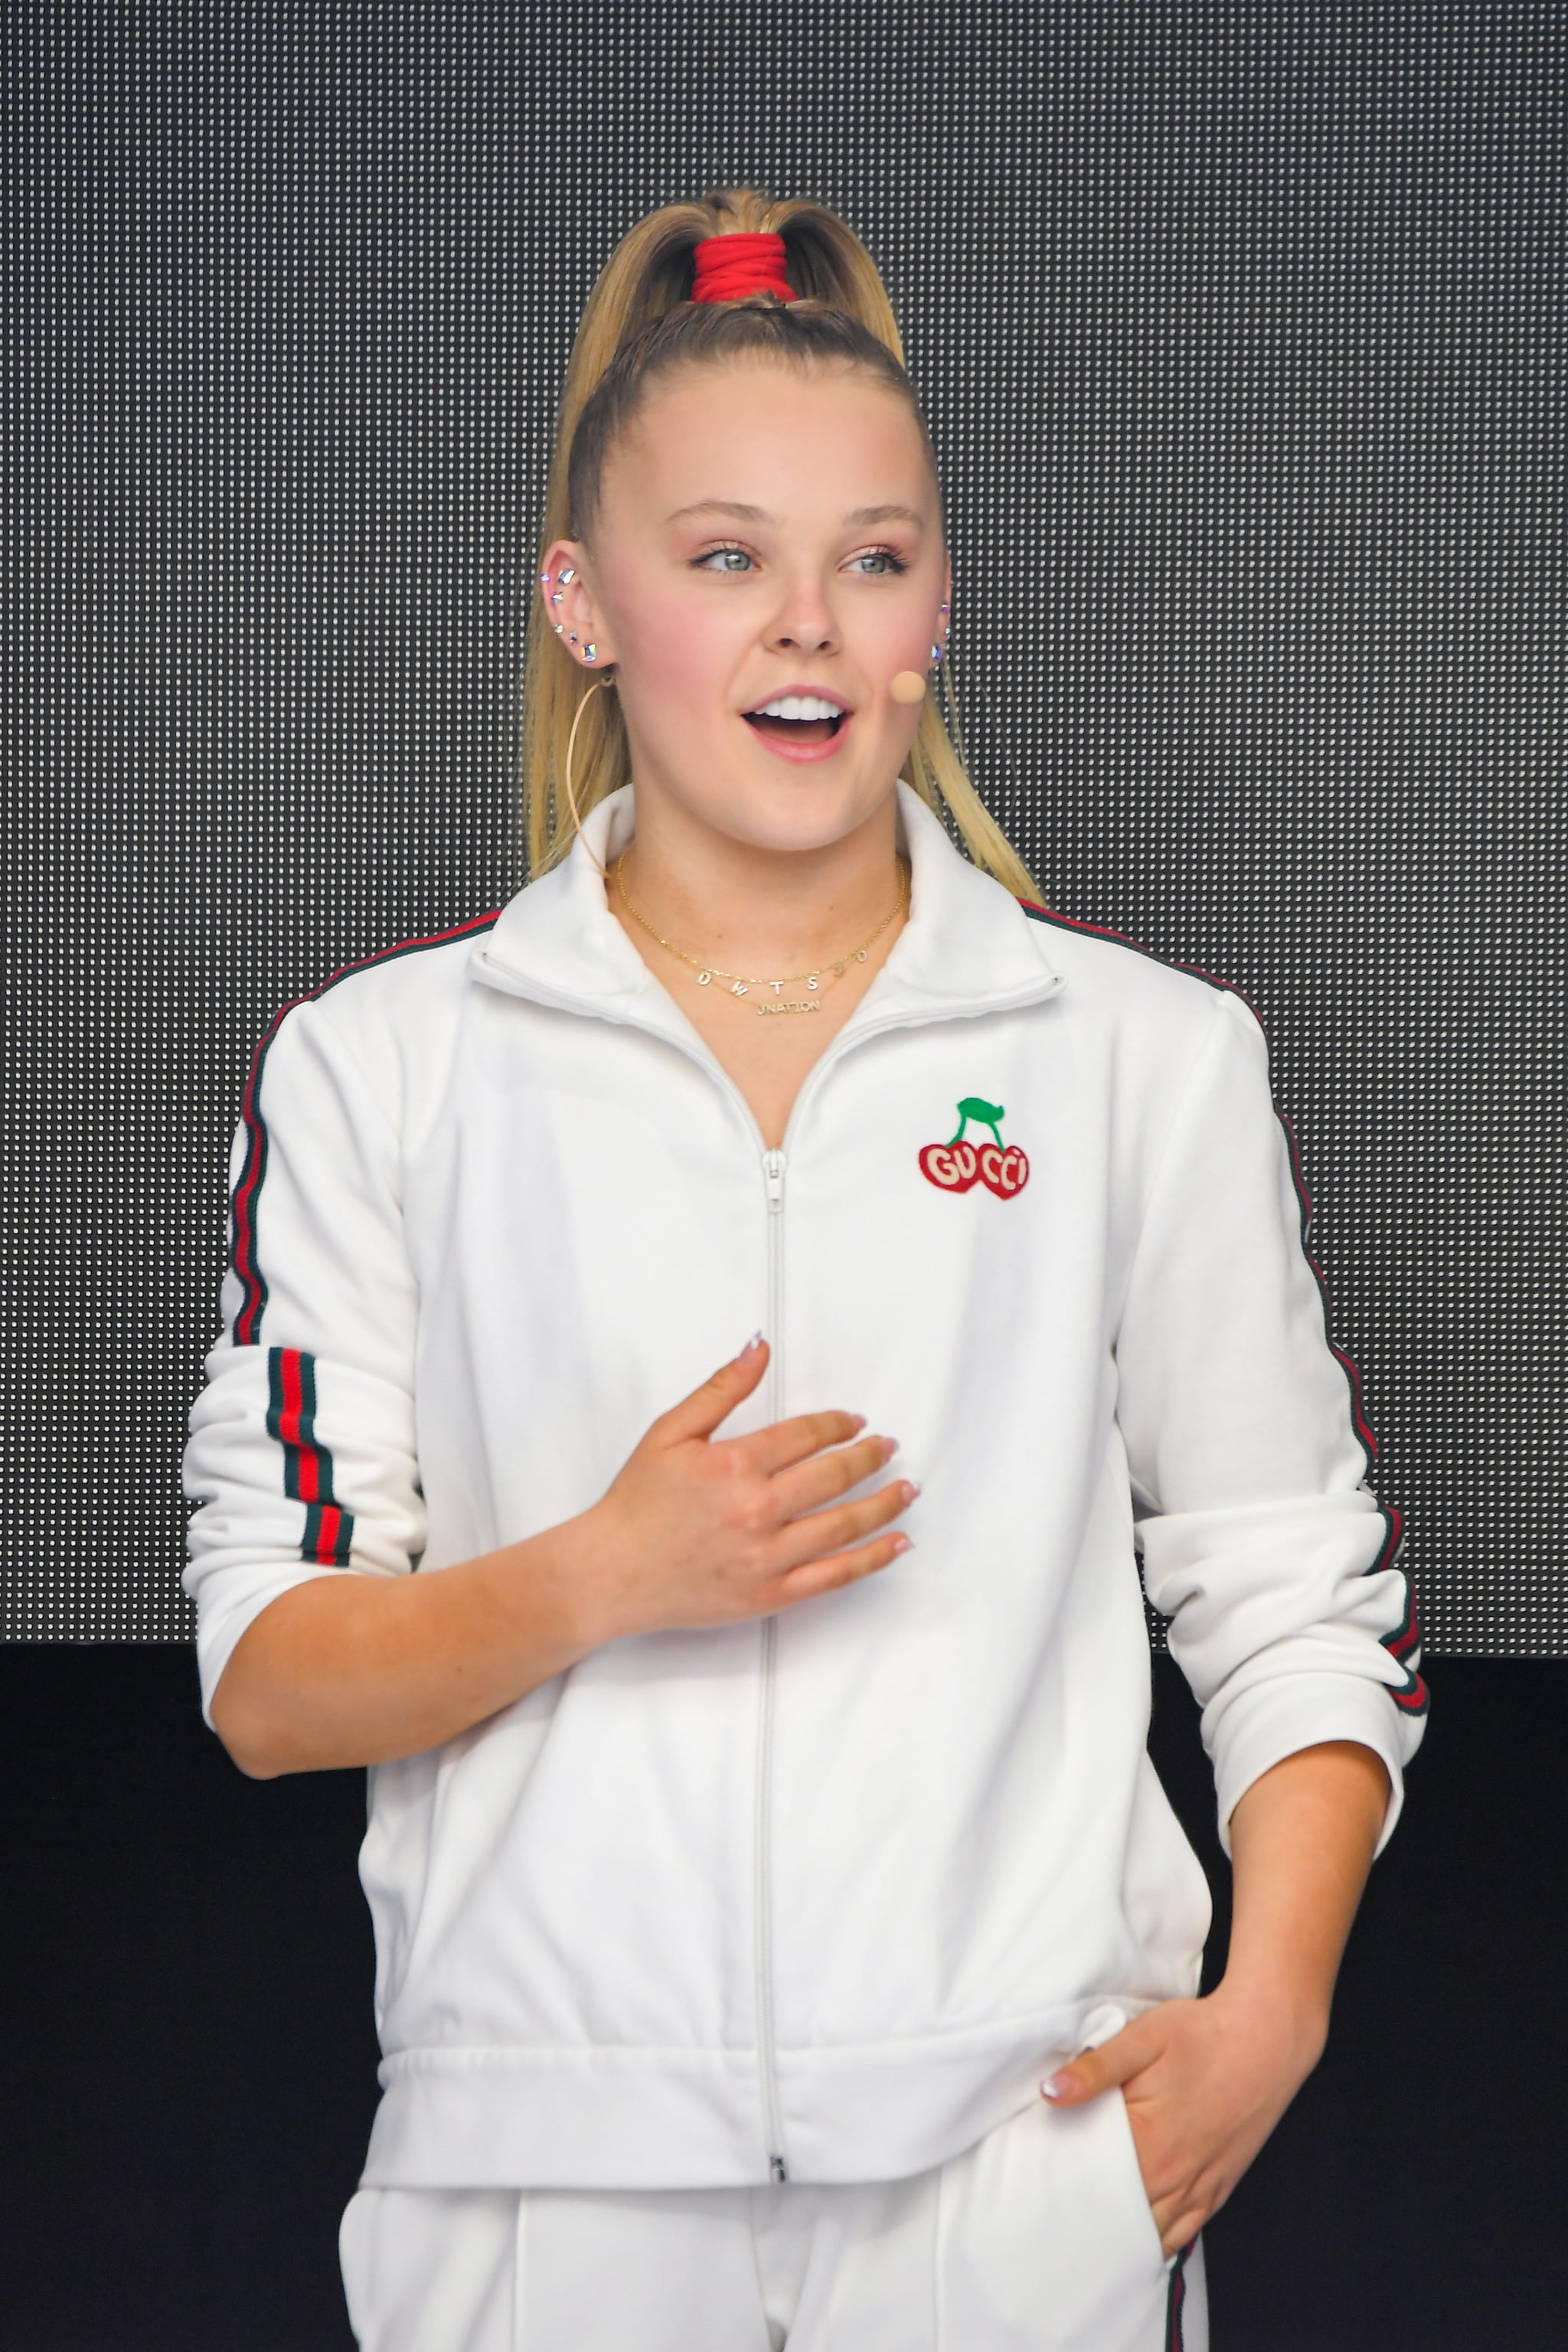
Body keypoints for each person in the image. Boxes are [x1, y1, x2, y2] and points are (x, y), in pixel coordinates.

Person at [182, 188, 1428, 2351]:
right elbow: (271, 1674)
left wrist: (1272, 2014)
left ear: (937, 603)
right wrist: (605, 1571)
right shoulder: (376, 1070)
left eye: (873, 559)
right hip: (539, 2189)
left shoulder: (1143, 1059)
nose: (809, 633)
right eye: (725, 557)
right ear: (582, 601)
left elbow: (1301, 1599)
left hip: (1022, 2168)